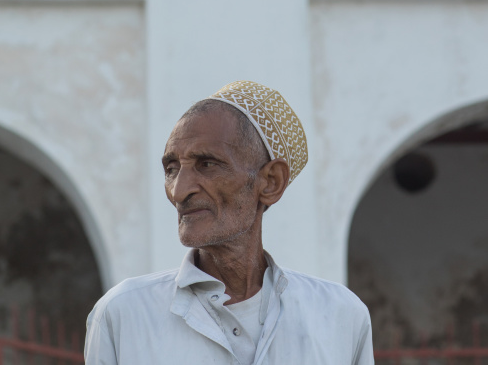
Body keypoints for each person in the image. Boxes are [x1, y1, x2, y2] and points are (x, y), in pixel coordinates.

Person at [85, 80, 374, 365]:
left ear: (271, 182)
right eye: (172, 169)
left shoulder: (340, 316)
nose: (179, 191)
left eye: (207, 164)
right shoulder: (123, 314)